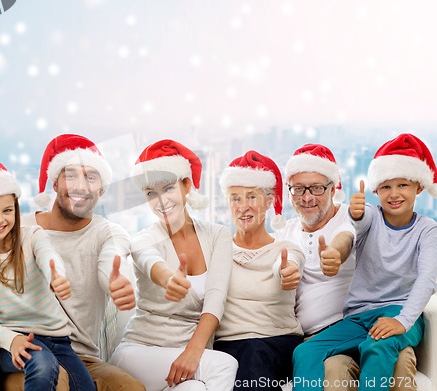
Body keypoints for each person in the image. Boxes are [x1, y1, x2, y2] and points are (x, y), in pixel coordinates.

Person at [0, 134, 145, 391]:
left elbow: (111, 259)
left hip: (79, 357)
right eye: (70, 175)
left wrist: (114, 281)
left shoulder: (108, 233)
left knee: (130, 388)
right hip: (24, 353)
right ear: (54, 181)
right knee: (55, 380)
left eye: (91, 177)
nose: (81, 186)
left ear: (102, 188)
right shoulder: (11, 227)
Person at [292, 133, 437, 391]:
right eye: (385, 187)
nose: (394, 194)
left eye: (402, 185)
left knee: (377, 346)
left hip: (401, 313)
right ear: (375, 190)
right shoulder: (370, 215)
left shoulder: (428, 231)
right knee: (305, 352)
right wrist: (353, 216)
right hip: (359, 317)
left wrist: (403, 321)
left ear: (419, 187)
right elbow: (354, 226)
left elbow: (428, 279)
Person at [0, 162, 95, 391]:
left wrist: (56, 275)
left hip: (59, 340)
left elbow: (48, 256)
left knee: (85, 387)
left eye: (7, 210)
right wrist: (11, 340)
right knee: (43, 366)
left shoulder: (33, 236)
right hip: (15, 338)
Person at [110, 139, 238, 391]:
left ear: (186, 185)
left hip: (186, 357)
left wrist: (192, 351)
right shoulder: (144, 239)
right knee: (224, 365)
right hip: (140, 352)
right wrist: (168, 278)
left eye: (168, 188)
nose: (161, 201)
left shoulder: (217, 235)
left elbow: (216, 298)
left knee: (195, 389)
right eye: (150, 193)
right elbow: (150, 261)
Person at [213, 150, 305, 391]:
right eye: (236, 198)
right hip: (228, 345)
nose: (244, 207)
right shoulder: (217, 251)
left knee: (254, 356)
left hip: (277, 342)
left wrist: (286, 272)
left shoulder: (286, 249)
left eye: (252, 197)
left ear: (269, 200)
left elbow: (288, 265)